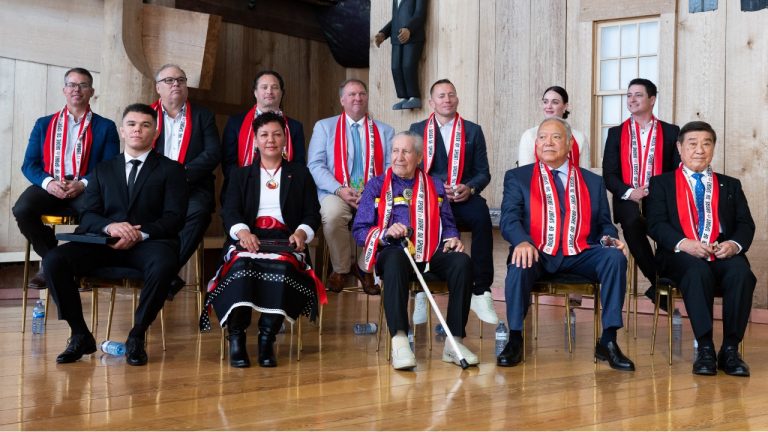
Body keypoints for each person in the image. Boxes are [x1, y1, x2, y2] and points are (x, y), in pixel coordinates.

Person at [44, 103, 189, 366]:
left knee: (165, 263)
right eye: (132, 124)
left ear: (155, 133)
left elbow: (174, 217)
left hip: (149, 243)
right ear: (122, 131)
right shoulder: (103, 169)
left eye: (146, 125)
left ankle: (137, 335)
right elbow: (88, 215)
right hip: (104, 243)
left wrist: (140, 232)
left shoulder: (172, 170)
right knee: (54, 260)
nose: (138, 130)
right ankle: (79, 334)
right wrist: (111, 227)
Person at [498, 118, 634, 371]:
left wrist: (609, 239)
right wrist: (522, 242)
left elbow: (605, 224)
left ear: (570, 143)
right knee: (519, 262)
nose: (548, 142)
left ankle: (609, 340)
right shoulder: (518, 177)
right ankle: (515, 337)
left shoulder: (592, 181)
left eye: (556, 137)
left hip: (579, 252)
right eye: (542, 137)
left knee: (615, 257)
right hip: (537, 251)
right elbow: (509, 218)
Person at [200, 112, 325, 368]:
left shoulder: (300, 174)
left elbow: (312, 213)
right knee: (241, 266)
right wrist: (243, 233)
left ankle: (267, 338)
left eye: (277, 134)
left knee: (283, 266)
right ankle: (237, 337)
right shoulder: (240, 174)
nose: (271, 140)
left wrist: (301, 233)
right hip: (249, 237)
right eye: (264, 135)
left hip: (286, 240)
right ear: (255, 140)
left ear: (285, 140)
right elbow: (230, 211)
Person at [352, 131, 478, 370]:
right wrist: (386, 232)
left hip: (431, 253)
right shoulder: (376, 185)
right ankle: (400, 340)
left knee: (462, 261)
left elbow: (448, 224)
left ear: (419, 157)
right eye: (395, 151)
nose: (399, 157)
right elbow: (360, 230)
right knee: (396, 257)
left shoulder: (435, 185)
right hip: (394, 252)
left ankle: (454, 342)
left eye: (406, 151)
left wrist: (452, 239)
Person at [646, 121, 755, 377]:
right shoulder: (662, 183)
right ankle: (705, 347)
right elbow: (655, 224)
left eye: (706, 144)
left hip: (720, 251)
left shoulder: (730, 185)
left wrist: (733, 244)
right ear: (680, 148)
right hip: (678, 254)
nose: (699, 150)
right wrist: (686, 244)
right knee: (697, 271)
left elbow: (745, 224)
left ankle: (730, 350)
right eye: (692, 144)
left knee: (742, 272)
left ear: (713, 149)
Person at [13, 67, 120, 288]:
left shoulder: (105, 126)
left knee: (97, 215)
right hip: (51, 184)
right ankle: (53, 261)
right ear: (64, 90)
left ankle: (71, 264)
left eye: (82, 85)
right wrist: (49, 183)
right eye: (72, 85)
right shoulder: (44, 124)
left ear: (91, 91)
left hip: (86, 186)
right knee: (22, 209)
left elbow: (109, 167)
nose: (76, 89)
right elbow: (29, 164)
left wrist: (83, 184)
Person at [409, 79, 497, 325]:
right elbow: (409, 170)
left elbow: (483, 172)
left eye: (451, 95)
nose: (446, 99)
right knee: (415, 217)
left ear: (457, 99)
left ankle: (481, 290)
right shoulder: (416, 128)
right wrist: (436, 189)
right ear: (431, 102)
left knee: (481, 214)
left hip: (463, 197)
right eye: (441, 96)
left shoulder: (473, 130)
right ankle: (421, 290)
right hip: (430, 199)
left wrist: (469, 187)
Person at [307, 79, 394, 294]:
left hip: (373, 192)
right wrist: (340, 189)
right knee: (332, 214)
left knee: (387, 215)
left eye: (362, 94)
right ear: (342, 100)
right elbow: (315, 165)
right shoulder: (324, 127)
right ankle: (341, 269)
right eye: (352, 94)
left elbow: (391, 167)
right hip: (335, 191)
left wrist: (372, 190)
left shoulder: (385, 131)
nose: (357, 98)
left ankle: (364, 268)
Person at [602, 78, 679, 309]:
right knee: (633, 223)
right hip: (628, 198)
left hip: (660, 199)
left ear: (652, 99)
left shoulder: (671, 131)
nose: (632, 99)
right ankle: (660, 283)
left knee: (668, 230)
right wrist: (629, 192)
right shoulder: (616, 133)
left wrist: (658, 193)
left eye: (638, 95)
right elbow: (610, 174)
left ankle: (667, 280)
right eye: (629, 95)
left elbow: (676, 171)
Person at [150, 64, 221, 298]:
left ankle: (161, 272)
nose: (176, 85)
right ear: (158, 87)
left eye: (180, 80)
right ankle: (162, 273)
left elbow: (212, 154)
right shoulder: (146, 116)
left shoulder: (203, 116)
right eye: (169, 81)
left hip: (193, 185)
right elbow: (135, 152)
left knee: (199, 213)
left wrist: (181, 176)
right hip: (154, 188)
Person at [221, 70, 306, 200]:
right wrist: (245, 183)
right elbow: (228, 163)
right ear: (255, 92)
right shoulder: (236, 123)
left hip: (284, 190)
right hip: (242, 189)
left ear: (282, 93)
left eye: (274, 87)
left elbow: (299, 165)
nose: (269, 91)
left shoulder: (295, 127)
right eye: (264, 87)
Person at [518, 86, 590, 168]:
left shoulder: (579, 137)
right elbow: (524, 173)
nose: (548, 106)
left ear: (565, 107)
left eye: (555, 102)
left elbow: (586, 175)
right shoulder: (529, 135)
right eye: (545, 102)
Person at [374, 0, 427, 110]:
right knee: (396, 67)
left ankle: (414, 96)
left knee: (408, 66)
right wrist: (384, 33)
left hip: (412, 37)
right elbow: (395, 18)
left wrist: (409, 29)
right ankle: (404, 96)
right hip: (396, 38)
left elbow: (420, 14)